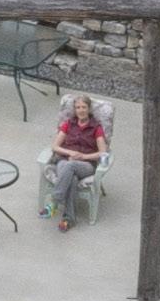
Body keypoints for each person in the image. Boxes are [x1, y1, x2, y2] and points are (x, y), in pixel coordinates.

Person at [45, 95, 111, 229]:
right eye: (78, 107)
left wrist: (83, 156)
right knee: (72, 178)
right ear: (75, 110)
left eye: (84, 107)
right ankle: (69, 219)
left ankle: (55, 201)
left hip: (86, 165)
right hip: (65, 160)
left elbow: (103, 152)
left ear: (89, 109)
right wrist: (70, 153)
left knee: (70, 166)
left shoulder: (96, 128)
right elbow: (55, 146)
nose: (81, 110)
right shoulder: (68, 124)